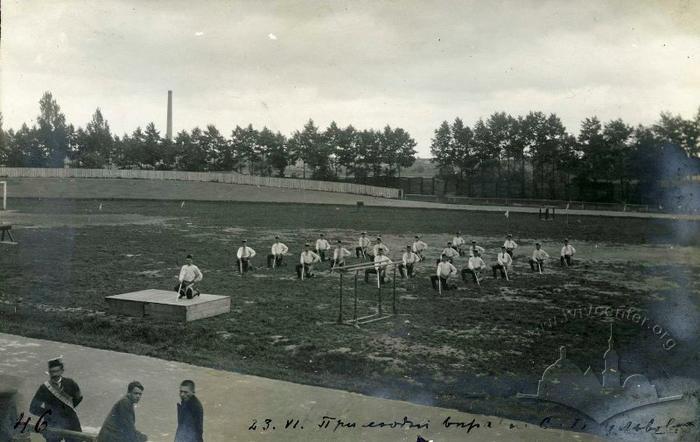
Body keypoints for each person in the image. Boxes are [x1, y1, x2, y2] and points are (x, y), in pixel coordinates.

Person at [29, 357, 82, 442]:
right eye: (52, 372)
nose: (54, 374)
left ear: (62, 371)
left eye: (57, 371)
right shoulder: (44, 388)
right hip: (52, 423)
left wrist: (67, 410)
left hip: (71, 422)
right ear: (49, 373)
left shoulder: (71, 383)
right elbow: (33, 408)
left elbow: (78, 398)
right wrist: (49, 413)